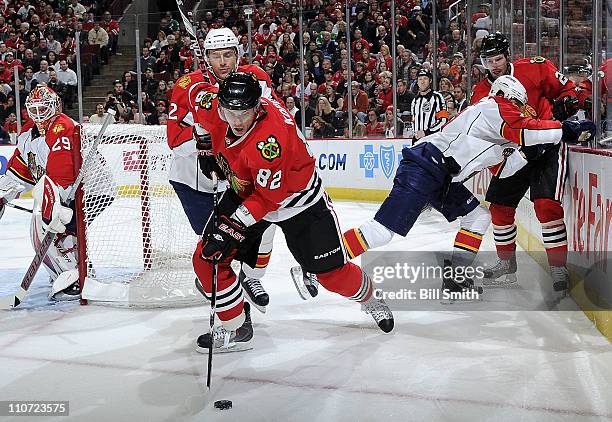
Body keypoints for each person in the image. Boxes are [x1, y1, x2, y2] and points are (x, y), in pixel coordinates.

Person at [190, 72, 394, 352]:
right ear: (221, 105)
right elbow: (195, 107)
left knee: (332, 276)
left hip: (298, 203)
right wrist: (204, 147)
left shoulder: (270, 142)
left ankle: (370, 297)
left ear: (258, 107)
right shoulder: (215, 105)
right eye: (230, 113)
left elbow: (268, 200)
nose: (237, 121)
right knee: (206, 259)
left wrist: (233, 226)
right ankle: (236, 327)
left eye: (245, 113)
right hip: (247, 190)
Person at [343, 76, 594, 298]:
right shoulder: (493, 106)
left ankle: (456, 277)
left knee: (477, 217)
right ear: (508, 96)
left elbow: (506, 168)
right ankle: (328, 256)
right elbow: (526, 130)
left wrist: (530, 153)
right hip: (425, 167)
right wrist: (563, 130)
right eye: (519, 104)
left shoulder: (498, 129)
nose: (522, 110)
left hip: (440, 175)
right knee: (382, 231)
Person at [167, 27, 278, 313]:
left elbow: (270, 118)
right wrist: (205, 137)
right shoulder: (187, 87)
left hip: (235, 177)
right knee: (217, 245)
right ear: (206, 58)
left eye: (228, 54)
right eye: (216, 56)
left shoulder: (256, 78)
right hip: (194, 181)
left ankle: (251, 278)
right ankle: (231, 306)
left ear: (238, 55)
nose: (223, 62)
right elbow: (176, 142)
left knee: (263, 227)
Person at [472, 32, 580, 291]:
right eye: (489, 61)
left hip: (545, 148)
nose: (494, 65)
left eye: (498, 58)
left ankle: (557, 267)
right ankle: (506, 264)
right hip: (514, 154)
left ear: (507, 56)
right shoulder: (481, 93)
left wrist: (565, 106)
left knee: (546, 206)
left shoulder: (536, 68)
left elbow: (569, 92)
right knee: (499, 207)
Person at [0, 86, 86, 300]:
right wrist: (3, 193)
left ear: (55, 106)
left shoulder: (64, 127)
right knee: (45, 225)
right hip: (63, 189)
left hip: (89, 189)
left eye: (44, 108)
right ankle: (68, 271)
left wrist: (58, 203)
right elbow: (21, 169)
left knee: (48, 225)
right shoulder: (28, 134)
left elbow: (64, 172)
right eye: (34, 109)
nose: (39, 114)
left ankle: (74, 277)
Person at [410, 69, 448, 143]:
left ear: (430, 81)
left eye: (425, 78)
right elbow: (413, 120)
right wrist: (415, 133)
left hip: (433, 140)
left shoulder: (437, 97)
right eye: (420, 79)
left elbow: (443, 119)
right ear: (417, 82)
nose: (422, 81)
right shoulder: (415, 100)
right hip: (417, 140)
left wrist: (427, 132)